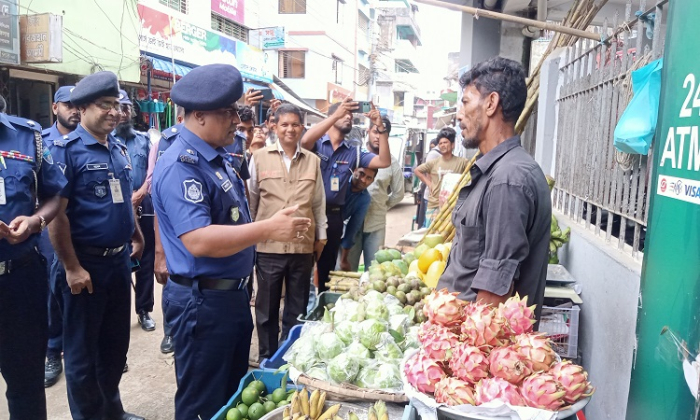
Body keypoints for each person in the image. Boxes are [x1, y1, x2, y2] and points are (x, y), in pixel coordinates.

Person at [152, 63, 311, 420]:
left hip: (227, 298)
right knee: (203, 403)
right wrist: (269, 229)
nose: (237, 120)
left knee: (230, 399)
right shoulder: (183, 164)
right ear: (198, 116)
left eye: (237, 111)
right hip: (202, 303)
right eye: (228, 112)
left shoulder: (216, 158)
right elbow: (200, 240)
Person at [48, 71, 145, 420]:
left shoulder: (117, 147)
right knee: (81, 357)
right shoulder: (65, 151)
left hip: (118, 264)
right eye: (105, 105)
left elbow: (121, 198)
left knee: (114, 348)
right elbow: (57, 217)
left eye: (116, 105)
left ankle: (112, 411)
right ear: (83, 108)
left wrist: (135, 232)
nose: (114, 112)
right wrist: (72, 268)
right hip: (84, 266)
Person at [437, 57, 551, 320]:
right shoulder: (496, 171)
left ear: (491, 104)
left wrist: (464, 352)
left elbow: (492, 297)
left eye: (465, 102)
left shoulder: (508, 180)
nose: (459, 115)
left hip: (475, 349)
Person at [248, 103, 327, 361]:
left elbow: (318, 203)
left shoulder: (313, 161)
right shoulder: (259, 158)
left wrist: (321, 234)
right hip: (268, 247)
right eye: (284, 124)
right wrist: (250, 235)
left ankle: (289, 358)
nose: (290, 129)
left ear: (302, 128)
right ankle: (267, 358)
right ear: (274, 126)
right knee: (266, 309)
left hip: (302, 247)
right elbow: (252, 201)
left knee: (297, 308)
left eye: (295, 124)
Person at [0, 111, 66, 419]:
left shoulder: (29, 137)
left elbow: (54, 194)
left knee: (26, 384)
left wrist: (35, 220)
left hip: (20, 280)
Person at [300, 99, 391, 293]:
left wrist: (380, 126)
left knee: (326, 271)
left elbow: (384, 161)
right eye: (344, 114)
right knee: (303, 268)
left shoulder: (354, 152)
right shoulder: (317, 144)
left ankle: (320, 307)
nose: (349, 117)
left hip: (333, 217)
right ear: (333, 117)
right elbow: (304, 141)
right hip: (309, 215)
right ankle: (302, 311)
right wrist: (334, 115)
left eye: (351, 116)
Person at [41, 85, 79, 388]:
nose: (74, 110)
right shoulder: (39, 141)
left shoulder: (94, 141)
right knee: (53, 296)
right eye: (68, 104)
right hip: (48, 232)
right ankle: (53, 351)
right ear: (56, 108)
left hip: (83, 235)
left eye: (77, 104)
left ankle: (84, 347)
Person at [114, 90, 156, 333]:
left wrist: (140, 193)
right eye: (118, 107)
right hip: (116, 211)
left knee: (146, 260)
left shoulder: (144, 140)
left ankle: (144, 310)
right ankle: (118, 316)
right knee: (121, 260)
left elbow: (153, 171)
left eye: (127, 107)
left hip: (144, 207)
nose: (123, 112)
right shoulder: (105, 140)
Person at [145, 105, 185, 354]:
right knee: (171, 281)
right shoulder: (164, 145)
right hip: (172, 229)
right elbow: (153, 183)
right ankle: (170, 332)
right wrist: (159, 252)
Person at [346, 118, 404, 271]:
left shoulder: (391, 162)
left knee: (374, 271)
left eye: (382, 134)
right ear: (368, 131)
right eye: (375, 132)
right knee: (346, 270)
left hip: (376, 225)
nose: (378, 137)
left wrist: (383, 206)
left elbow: (398, 193)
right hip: (350, 223)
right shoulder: (355, 155)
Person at [413, 127, 468, 227]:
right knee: (431, 235)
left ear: (452, 144)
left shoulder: (462, 162)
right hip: (434, 205)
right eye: (440, 143)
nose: (442, 145)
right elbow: (417, 170)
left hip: (452, 207)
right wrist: (429, 184)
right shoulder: (434, 162)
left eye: (445, 142)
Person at [338, 167, 377, 271]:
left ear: (372, 180)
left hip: (335, 232)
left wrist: (344, 259)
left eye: (368, 178)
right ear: (354, 170)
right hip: (315, 228)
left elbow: (353, 228)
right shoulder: (340, 182)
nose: (363, 180)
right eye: (361, 174)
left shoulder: (364, 199)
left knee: (334, 270)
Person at [416, 137, 440, 228]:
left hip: (432, 196)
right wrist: (430, 184)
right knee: (427, 226)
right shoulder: (434, 154)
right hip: (430, 196)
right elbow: (422, 172)